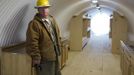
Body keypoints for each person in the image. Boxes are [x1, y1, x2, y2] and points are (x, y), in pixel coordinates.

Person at [26, 0, 62, 75]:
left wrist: (59, 48)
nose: (45, 10)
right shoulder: (34, 24)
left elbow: (57, 35)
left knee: (56, 73)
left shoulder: (52, 20)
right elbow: (32, 43)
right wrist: (36, 57)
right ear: (38, 9)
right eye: (42, 8)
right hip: (44, 58)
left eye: (46, 7)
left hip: (54, 54)